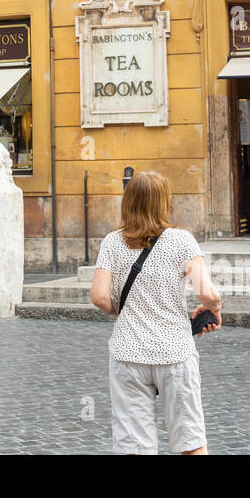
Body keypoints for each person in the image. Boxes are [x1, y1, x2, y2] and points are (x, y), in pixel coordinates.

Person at [90, 170, 222, 455]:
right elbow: (207, 293)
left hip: (128, 354)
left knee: (134, 446)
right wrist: (214, 308)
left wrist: (121, 310)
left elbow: (99, 296)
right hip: (174, 352)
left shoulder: (112, 242)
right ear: (164, 202)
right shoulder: (181, 241)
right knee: (190, 441)